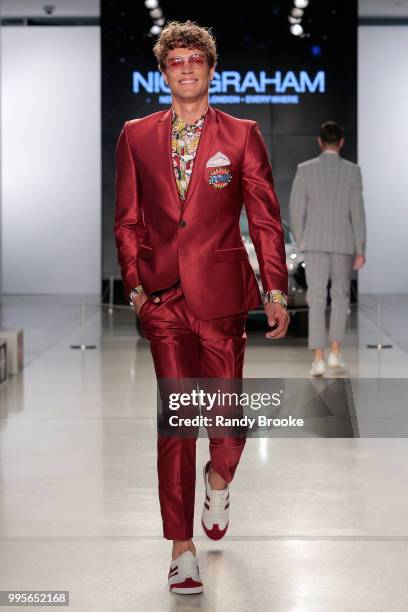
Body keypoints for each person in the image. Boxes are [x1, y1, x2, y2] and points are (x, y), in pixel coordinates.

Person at [114, 20, 289, 594]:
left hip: (221, 301)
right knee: (177, 425)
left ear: (211, 70)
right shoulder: (136, 135)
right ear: (164, 72)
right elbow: (128, 218)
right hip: (163, 301)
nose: (186, 68)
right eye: (176, 61)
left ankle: (220, 476)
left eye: (196, 60)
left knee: (228, 424)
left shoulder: (241, 135)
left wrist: (276, 288)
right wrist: (137, 289)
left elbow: (263, 217)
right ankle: (180, 547)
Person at [289, 121, 366, 377]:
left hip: (314, 243)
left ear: (320, 142)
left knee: (317, 298)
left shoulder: (305, 169)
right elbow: (357, 213)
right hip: (343, 243)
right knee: (341, 296)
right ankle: (335, 353)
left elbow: (296, 210)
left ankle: (318, 360)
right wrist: (360, 248)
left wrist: (301, 242)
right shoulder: (352, 171)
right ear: (341, 142)